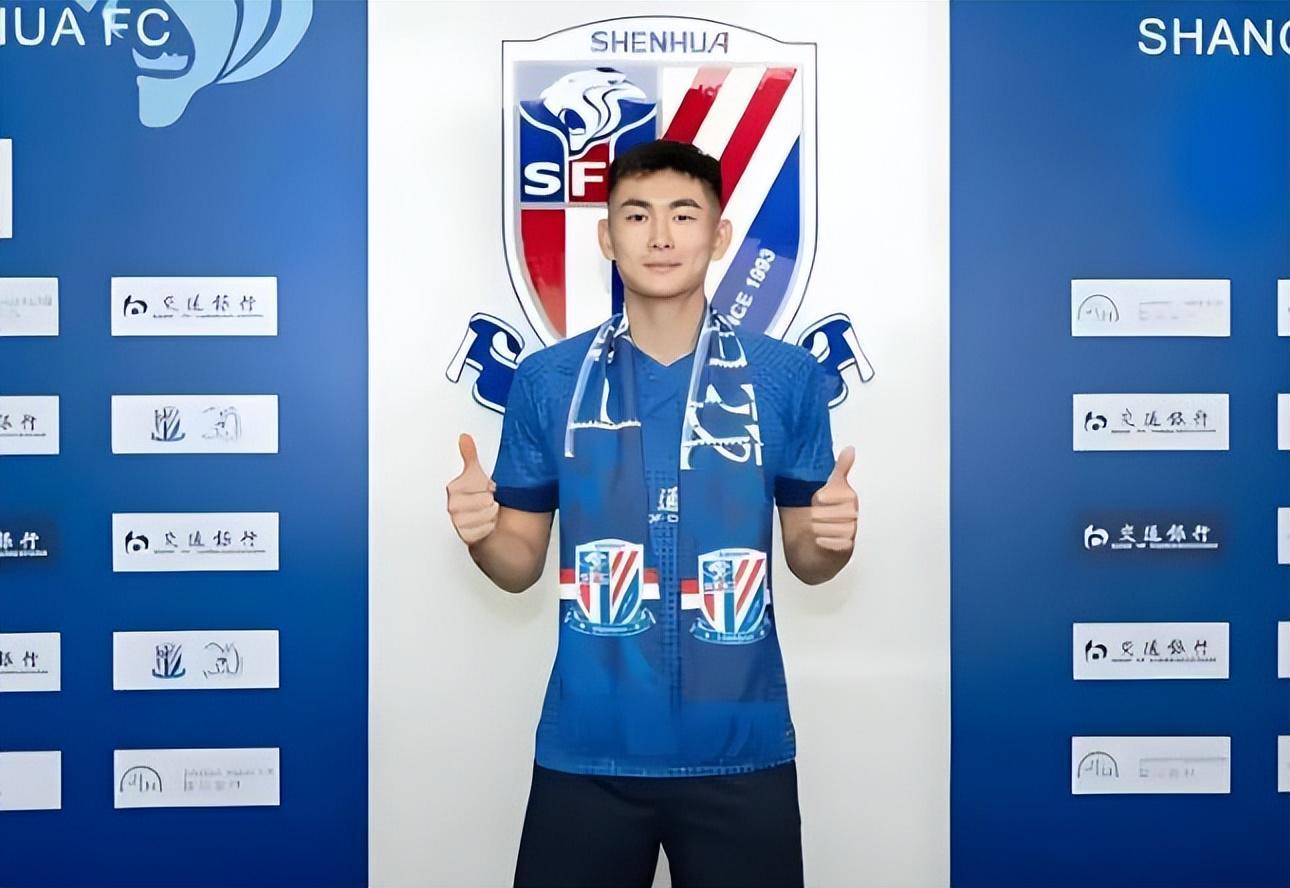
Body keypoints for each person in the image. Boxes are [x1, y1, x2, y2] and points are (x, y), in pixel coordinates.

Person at [446, 139, 858, 888]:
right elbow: (517, 565)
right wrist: (481, 535)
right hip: (589, 751)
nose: (661, 236)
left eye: (683, 215)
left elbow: (808, 558)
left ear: (720, 235)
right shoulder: (548, 380)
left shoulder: (787, 378)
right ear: (607, 236)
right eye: (637, 216)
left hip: (741, 749)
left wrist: (832, 540)